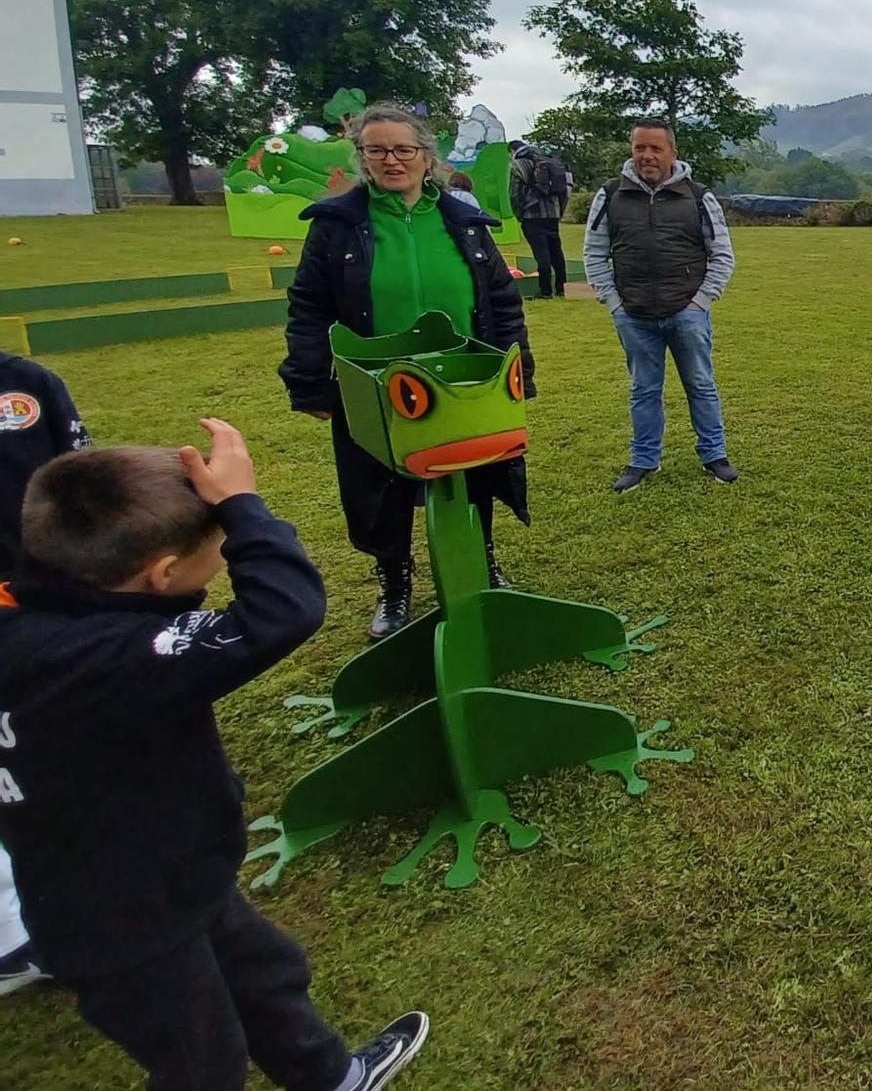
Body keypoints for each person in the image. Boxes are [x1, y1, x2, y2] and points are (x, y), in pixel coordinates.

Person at [0, 420, 428, 1089]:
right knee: (202, 1062)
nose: (222, 556)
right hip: (121, 919)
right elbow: (281, 611)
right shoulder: (104, 659)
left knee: (265, 978)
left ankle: (333, 1078)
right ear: (163, 574)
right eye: (216, 550)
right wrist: (242, 507)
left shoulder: (36, 621)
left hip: (169, 869)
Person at [281, 102, 535, 639]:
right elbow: (308, 306)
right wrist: (309, 379)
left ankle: (482, 564)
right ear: (363, 158)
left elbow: (502, 301)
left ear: (426, 157)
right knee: (381, 486)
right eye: (377, 150)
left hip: (464, 377)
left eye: (403, 149)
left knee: (474, 470)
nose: (392, 160)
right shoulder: (337, 225)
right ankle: (395, 582)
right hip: (377, 383)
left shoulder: (463, 223)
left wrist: (519, 372)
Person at [583, 119, 739, 492]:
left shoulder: (699, 197)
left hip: (686, 312)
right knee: (643, 390)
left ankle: (714, 455)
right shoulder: (610, 195)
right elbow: (593, 253)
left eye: (655, 148)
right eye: (640, 148)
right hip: (633, 314)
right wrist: (614, 302)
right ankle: (643, 460)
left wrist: (700, 302)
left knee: (700, 384)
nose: (647, 156)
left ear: (673, 152)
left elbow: (722, 254)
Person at [0, 349, 89, 996]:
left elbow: (81, 486)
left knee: (54, 751)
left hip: (40, 606)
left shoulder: (27, 386)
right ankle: (12, 938)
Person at [509, 139, 572, 300]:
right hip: (552, 213)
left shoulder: (518, 165)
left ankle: (545, 291)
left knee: (541, 253)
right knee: (556, 252)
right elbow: (564, 191)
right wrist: (559, 212)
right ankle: (562, 287)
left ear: (512, 151)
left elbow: (514, 193)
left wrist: (519, 213)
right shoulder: (549, 161)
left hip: (532, 214)